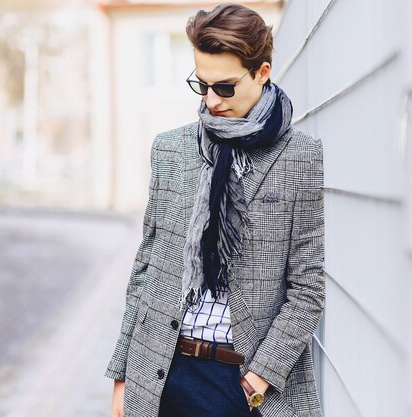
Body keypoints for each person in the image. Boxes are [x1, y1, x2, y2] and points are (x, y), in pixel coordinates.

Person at [105, 4, 325, 417]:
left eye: (225, 87)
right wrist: (122, 378)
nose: (211, 100)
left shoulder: (300, 157)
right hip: (161, 373)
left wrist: (257, 379)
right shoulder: (170, 149)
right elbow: (145, 270)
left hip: (244, 382)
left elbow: (308, 287)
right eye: (201, 85)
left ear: (262, 72)